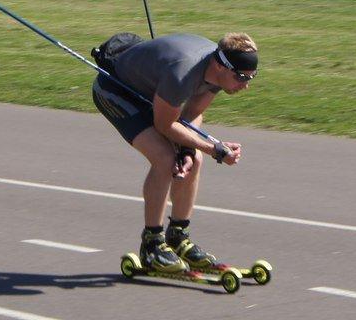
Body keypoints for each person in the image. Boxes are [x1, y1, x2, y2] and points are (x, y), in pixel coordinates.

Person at [91, 32, 258, 274]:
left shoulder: (219, 72)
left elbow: (192, 114)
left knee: (193, 159)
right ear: (221, 66)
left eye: (252, 77)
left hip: (154, 95)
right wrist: (214, 149)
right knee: (165, 159)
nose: (246, 85)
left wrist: (189, 150)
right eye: (242, 77)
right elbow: (165, 126)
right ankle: (152, 245)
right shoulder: (182, 74)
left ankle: (178, 238)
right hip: (115, 91)